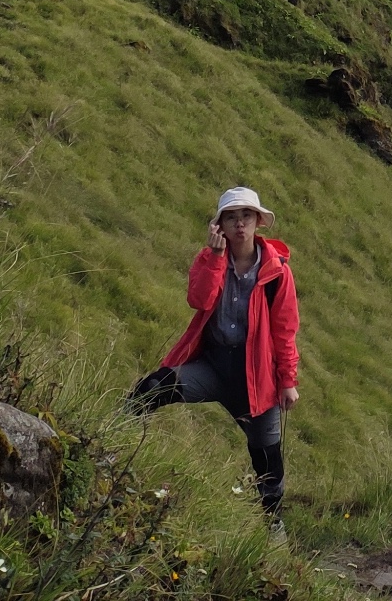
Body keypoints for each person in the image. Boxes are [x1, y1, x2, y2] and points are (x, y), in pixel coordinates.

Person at [126, 186, 301, 524]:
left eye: (246, 216)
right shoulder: (209, 259)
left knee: (267, 461)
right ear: (219, 225)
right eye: (231, 217)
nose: (239, 224)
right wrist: (215, 257)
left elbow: (285, 330)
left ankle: (273, 529)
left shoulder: (278, 272)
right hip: (213, 366)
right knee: (151, 389)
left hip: (256, 381)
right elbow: (200, 300)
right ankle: (111, 439)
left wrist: (287, 381)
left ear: (258, 222)